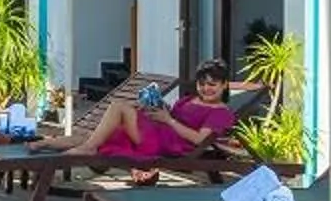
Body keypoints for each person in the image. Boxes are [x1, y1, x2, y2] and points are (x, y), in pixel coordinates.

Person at [60, 59, 239, 162]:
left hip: (166, 145)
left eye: (212, 85)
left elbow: (201, 139)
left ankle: (88, 148)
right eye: (202, 84)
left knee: (119, 106)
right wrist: (158, 109)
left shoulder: (221, 113)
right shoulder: (188, 99)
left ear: (224, 85)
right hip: (159, 131)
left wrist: (169, 120)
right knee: (100, 134)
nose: (206, 89)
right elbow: (171, 116)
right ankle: (39, 145)